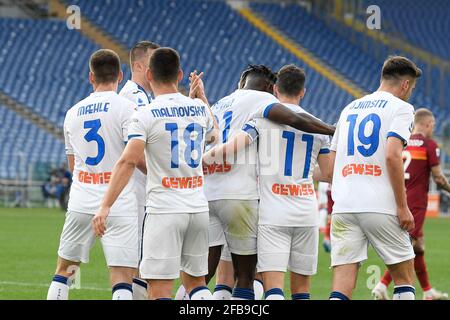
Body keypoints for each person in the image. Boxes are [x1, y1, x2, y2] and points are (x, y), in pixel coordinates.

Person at [93, 47, 217, 300]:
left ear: (149, 74)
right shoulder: (199, 109)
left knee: (159, 288)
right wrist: (201, 98)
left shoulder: (145, 113)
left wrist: (105, 206)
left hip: (164, 209)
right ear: (180, 74)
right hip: (197, 207)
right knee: (197, 283)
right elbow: (215, 135)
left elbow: (128, 160)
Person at [203, 64, 335, 300]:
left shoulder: (259, 120)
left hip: (270, 211)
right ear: (303, 91)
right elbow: (328, 174)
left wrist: (202, 161)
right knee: (302, 291)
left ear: (274, 89)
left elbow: (232, 147)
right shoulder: (319, 128)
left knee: (271, 288)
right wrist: (301, 173)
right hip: (305, 211)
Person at [47, 49, 140, 300]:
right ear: (120, 75)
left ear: (91, 77)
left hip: (81, 199)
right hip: (119, 199)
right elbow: (134, 158)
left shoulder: (73, 113)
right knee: (122, 276)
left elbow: (72, 164)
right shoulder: (128, 108)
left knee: (65, 270)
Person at [327, 55, 422, 300]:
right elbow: (392, 155)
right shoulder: (401, 108)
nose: (410, 92)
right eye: (411, 87)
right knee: (403, 279)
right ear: (405, 85)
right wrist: (402, 207)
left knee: (341, 288)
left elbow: (328, 169)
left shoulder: (349, 108)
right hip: (380, 205)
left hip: (344, 207)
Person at [372, 108, 450, 300]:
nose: (433, 128)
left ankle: (428, 291)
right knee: (406, 247)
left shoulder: (401, 142)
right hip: (415, 203)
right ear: (428, 124)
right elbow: (439, 178)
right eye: (432, 125)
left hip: (397, 199)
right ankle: (381, 285)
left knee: (418, 247)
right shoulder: (429, 145)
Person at [119, 40, 160, 300]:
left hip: (147, 189)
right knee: (139, 261)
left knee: (147, 261)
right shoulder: (131, 98)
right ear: (138, 65)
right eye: (153, 62)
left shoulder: (148, 97)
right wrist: (161, 174)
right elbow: (135, 151)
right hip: (136, 190)